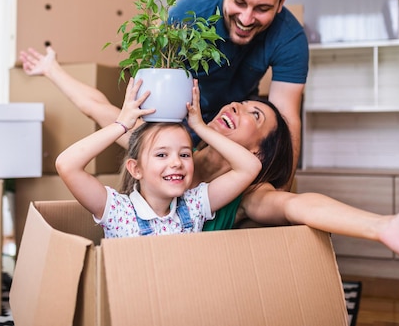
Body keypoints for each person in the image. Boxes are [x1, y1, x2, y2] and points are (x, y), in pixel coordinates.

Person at [20, 46, 399, 269]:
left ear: (260, 149)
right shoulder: (173, 153)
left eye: (254, 114)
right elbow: (98, 107)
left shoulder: (245, 193)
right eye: (239, 102)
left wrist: (382, 226)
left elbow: (299, 206)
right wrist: (52, 68)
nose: (236, 106)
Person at [168, 0, 308, 190]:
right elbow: (158, 100)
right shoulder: (187, 16)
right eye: (239, 2)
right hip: (180, 129)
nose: (246, 19)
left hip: (237, 141)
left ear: (282, 0)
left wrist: (277, 194)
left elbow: (286, 120)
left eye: (262, 8)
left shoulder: (290, 37)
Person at [55, 78, 262, 238]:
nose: (176, 163)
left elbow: (249, 167)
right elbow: (67, 165)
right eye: (162, 154)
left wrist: (200, 127)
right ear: (136, 169)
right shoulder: (117, 211)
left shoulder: (195, 205)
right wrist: (122, 125)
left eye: (184, 154)